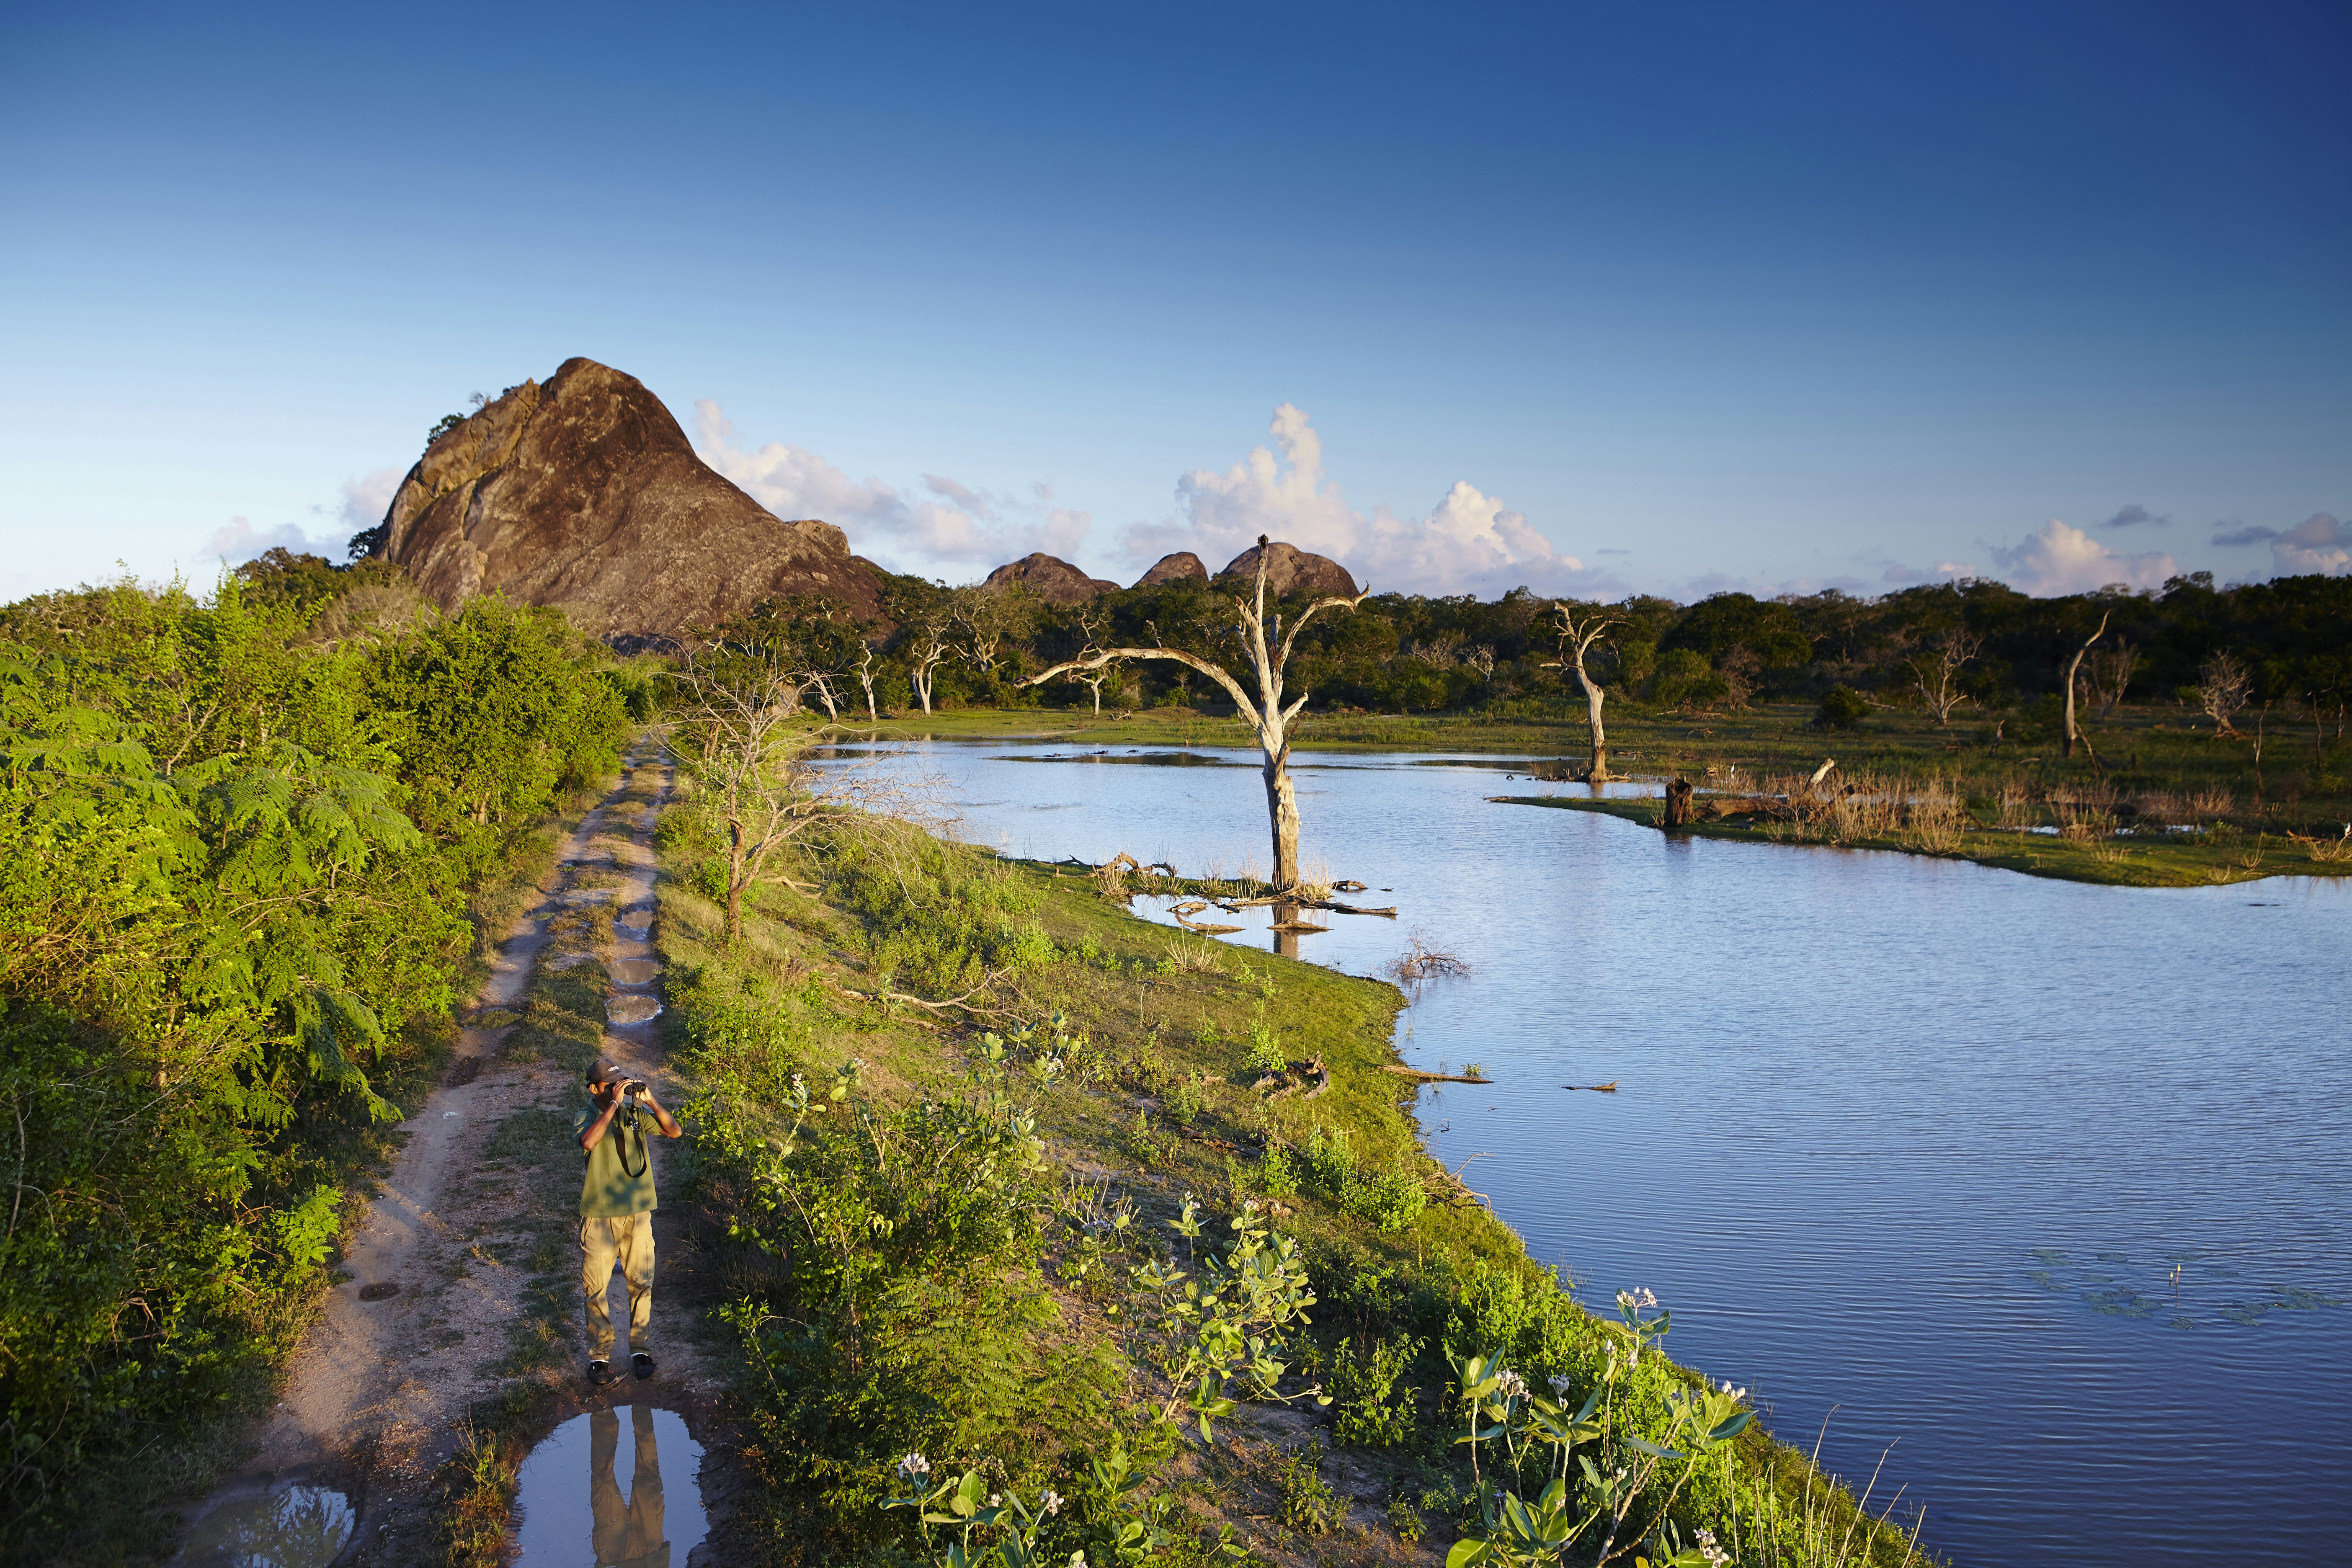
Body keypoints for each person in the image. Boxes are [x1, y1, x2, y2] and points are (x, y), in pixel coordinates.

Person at [574, 1056, 681, 1386]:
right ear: (595, 1089)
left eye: (622, 1082)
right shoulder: (587, 1114)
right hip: (599, 1215)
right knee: (597, 1288)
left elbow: (674, 1131)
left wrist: (649, 1100)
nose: (618, 1088)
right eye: (611, 1084)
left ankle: (640, 1349)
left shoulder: (635, 1114)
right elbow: (589, 1142)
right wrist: (612, 1108)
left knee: (641, 1282)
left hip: (637, 1213)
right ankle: (601, 1356)